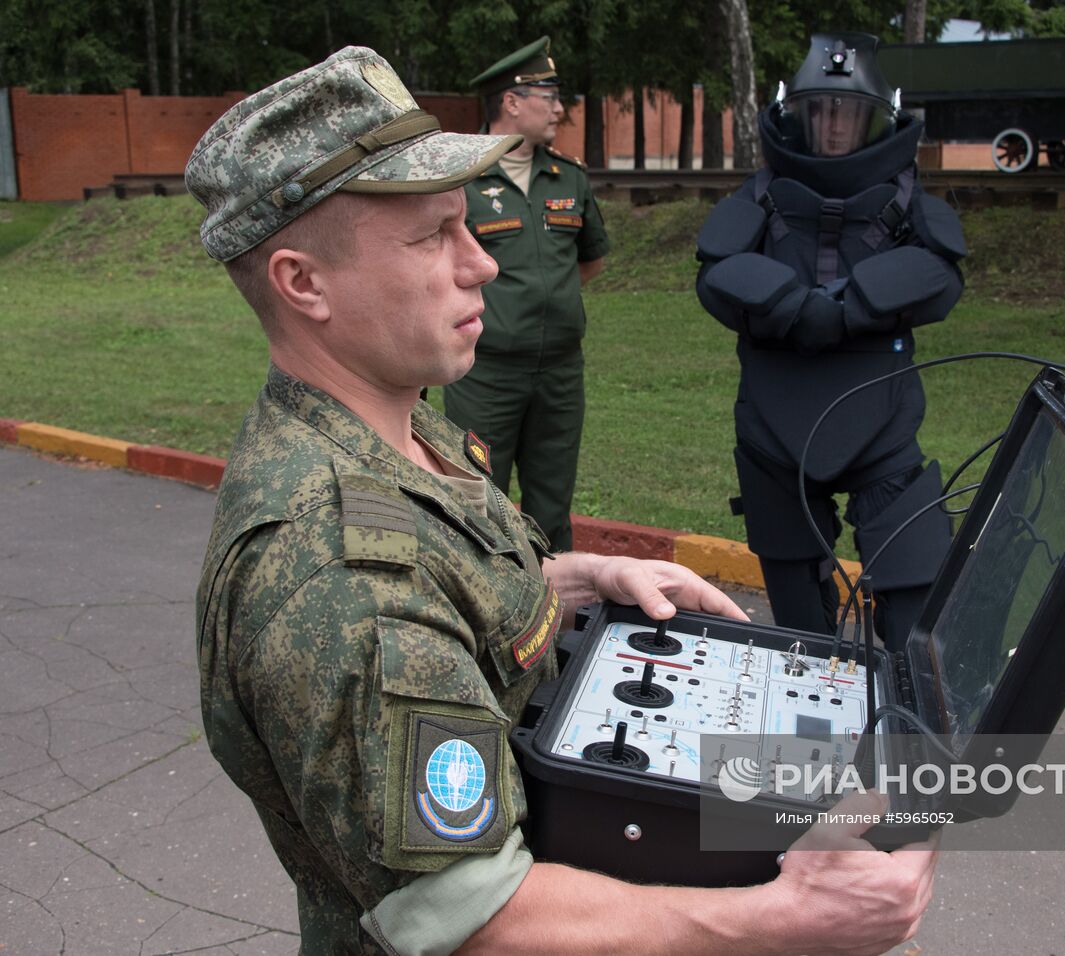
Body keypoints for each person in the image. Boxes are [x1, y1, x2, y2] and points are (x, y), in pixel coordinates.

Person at [189, 47, 936, 955]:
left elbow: (449, 587)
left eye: (470, 228)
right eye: (432, 237)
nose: (483, 267)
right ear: (303, 283)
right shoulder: (334, 575)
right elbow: (474, 920)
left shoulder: (398, 425)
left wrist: (574, 579)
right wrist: (777, 920)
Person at [696, 33, 967, 652]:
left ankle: (911, 729)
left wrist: (850, 309)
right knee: (799, 627)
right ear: (799, 114)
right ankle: (809, 723)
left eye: (848, 112)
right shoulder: (763, 194)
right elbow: (714, 272)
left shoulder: (904, 200)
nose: (834, 126)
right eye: (821, 111)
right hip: (774, 419)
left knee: (914, 608)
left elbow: (942, 278)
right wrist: (791, 307)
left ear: (879, 118)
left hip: (880, 419)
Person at [442, 37, 609, 552]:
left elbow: (590, 260)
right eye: (548, 94)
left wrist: (536, 305)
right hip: (484, 372)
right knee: (475, 502)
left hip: (559, 372)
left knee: (552, 505)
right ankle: (479, 617)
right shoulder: (461, 179)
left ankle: (549, 615)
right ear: (511, 102)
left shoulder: (569, 178)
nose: (559, 107)